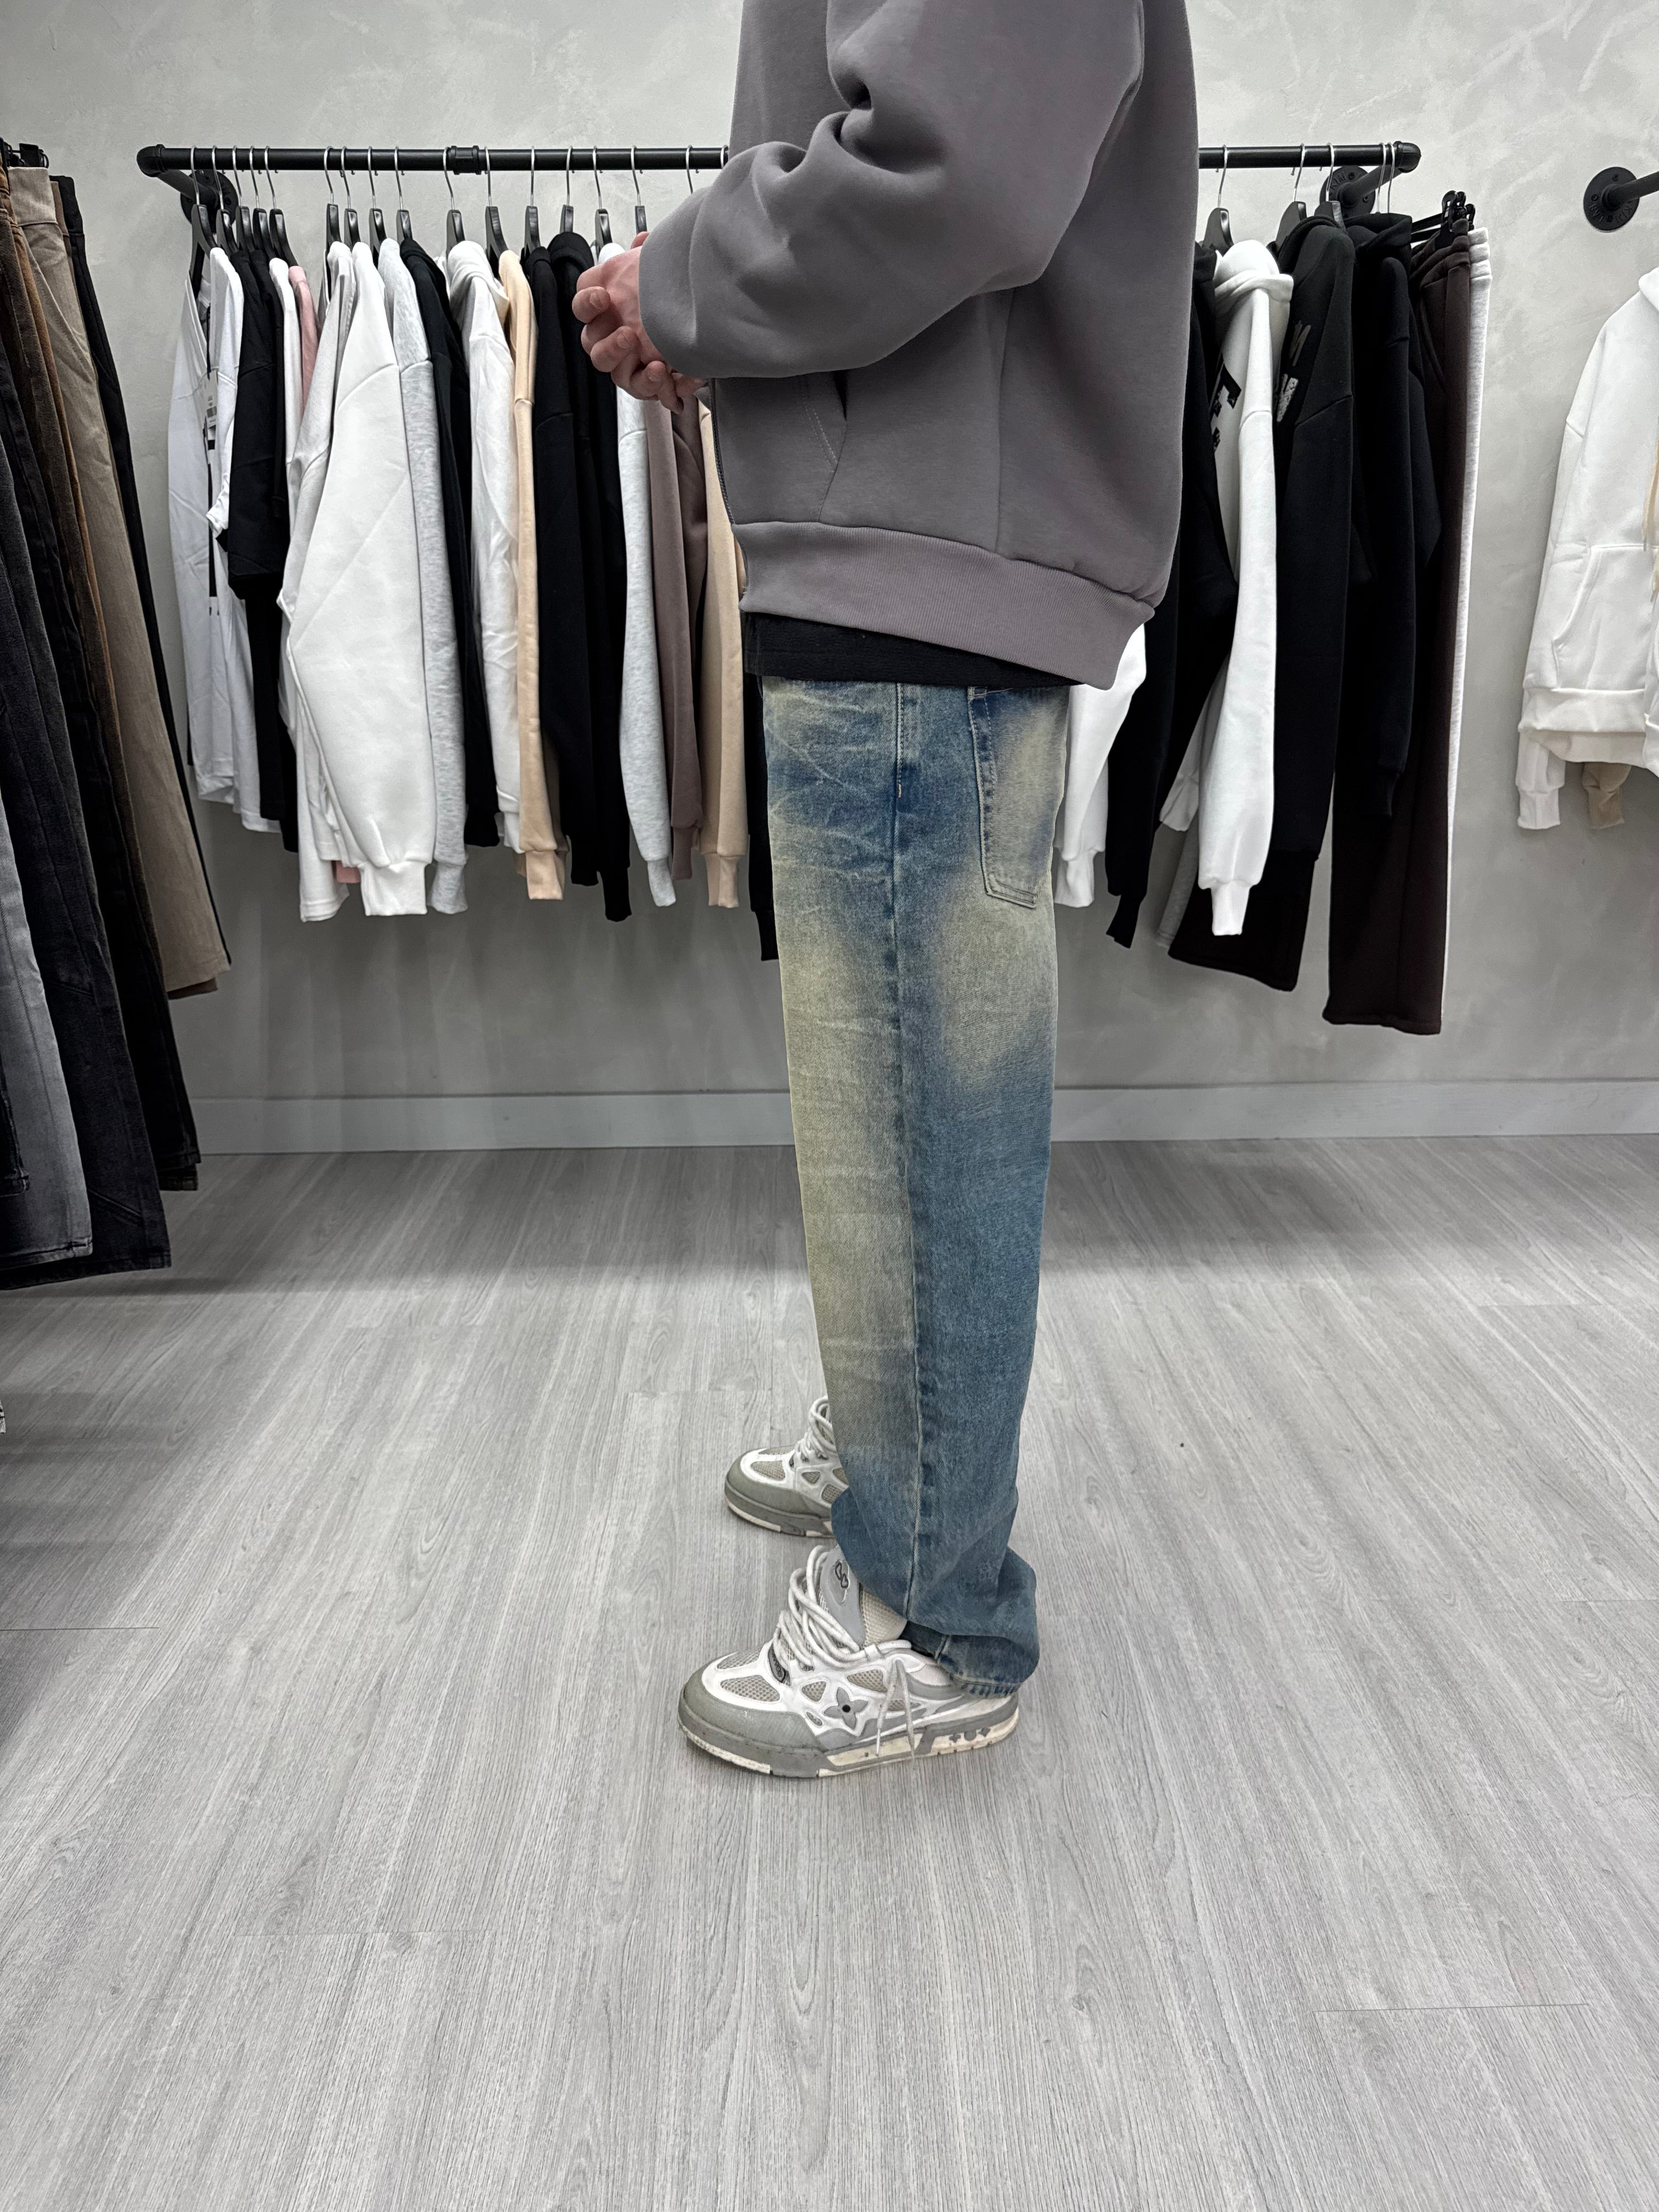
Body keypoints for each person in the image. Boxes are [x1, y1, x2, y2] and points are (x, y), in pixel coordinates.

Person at [574, 0, 1198, 1779]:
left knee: (915, 1101)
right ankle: (898, 1462)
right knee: (892, 1097)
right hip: (916, 517)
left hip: (930, 536)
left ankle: (936, 1616)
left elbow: (957, 165)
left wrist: (690, 281)